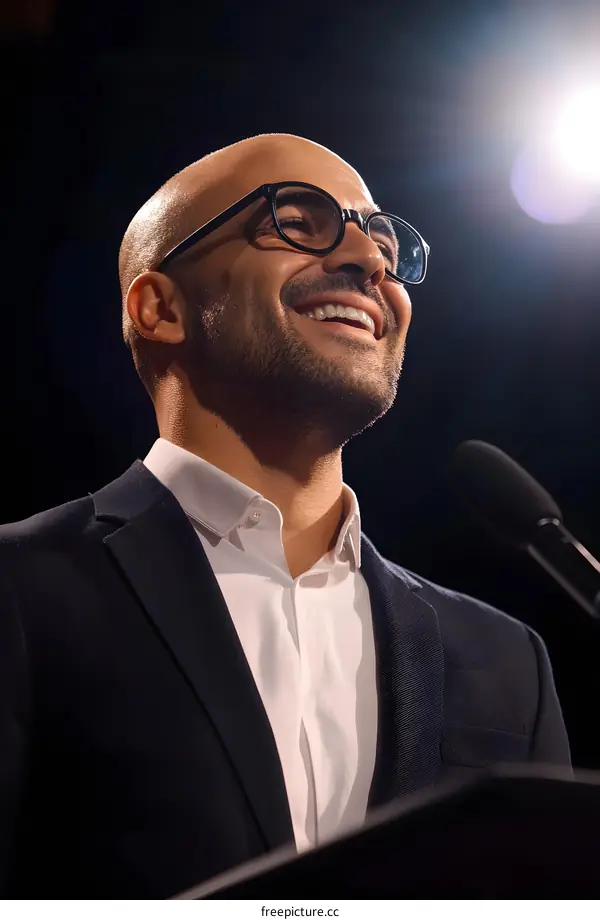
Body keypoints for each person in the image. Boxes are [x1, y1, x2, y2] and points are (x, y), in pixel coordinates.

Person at [0, 134, 570, 899]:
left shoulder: (508, 661)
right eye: (298, 220)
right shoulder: (21, 591)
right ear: (160, 307)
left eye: (382, 239)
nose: (371, 263)